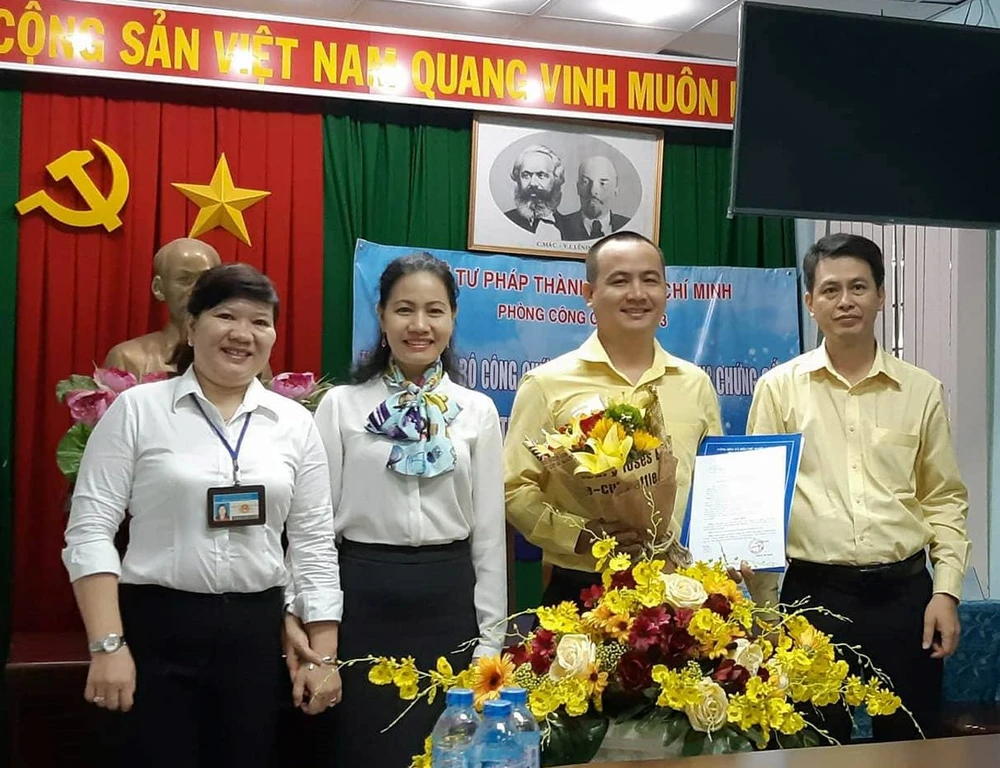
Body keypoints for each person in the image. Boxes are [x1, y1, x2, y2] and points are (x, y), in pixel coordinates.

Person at [63, 263, 344, 768]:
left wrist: (323, 656)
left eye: (260, 321)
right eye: (226, 316)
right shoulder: (138, 410)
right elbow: (90, 530)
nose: (243, 334)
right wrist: (107, 644)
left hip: (255, 637)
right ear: (192, 327)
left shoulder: (295, 424)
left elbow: (313, 544)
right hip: (156, 630)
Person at [285, 252, 507, 766]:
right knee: (362, 748)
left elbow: (490, 535)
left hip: (449, 602)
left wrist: (491, 640)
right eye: (404, 309)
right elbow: (314, 527)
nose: (419, 325)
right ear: (381, 316)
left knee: (445, 751)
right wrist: (310, 619)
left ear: (453, 317)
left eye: (435, 311)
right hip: (362, 599)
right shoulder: (341, 405)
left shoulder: (476, 410)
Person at [746, 233, 969, 742]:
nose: (845, 301)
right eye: (830, 290)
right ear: (810, 301)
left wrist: (946, 591)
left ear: (880, 295)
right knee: (810, 746)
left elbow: (943, 499)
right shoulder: (778, 389)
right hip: (812, 600)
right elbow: (760, 505)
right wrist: (765, 610)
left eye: (858, 287)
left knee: (911, 746)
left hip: (906, 599)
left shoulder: (921, 390)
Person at [504, 231, 725, 607]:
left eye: (650, 280)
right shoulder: (546, 384)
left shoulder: (695, 384)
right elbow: (514, 488)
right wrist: (578, 535)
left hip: (679, 590)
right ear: (589, 294)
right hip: (581, 587)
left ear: (666, 292)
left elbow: (715, 487)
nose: (637, 293)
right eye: (620, 281)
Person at [104, 237, 221, 377]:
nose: (196, 290)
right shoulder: (127, 358)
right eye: (184, 279)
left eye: (204, 279)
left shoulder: (233, 358)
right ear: (158, 288)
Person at [559, 156, 631, 241]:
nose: (593, 191)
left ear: (615, 190)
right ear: (578, 188)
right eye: (586, 182)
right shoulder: (559, 227)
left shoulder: (630, 228)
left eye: (602, 183)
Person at [503, 144, 567, 238]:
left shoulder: (570, 228)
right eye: (526, 175)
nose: (533, 183)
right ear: (517, 179)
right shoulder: (504, 221)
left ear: (556, 179)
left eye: (541, 175)